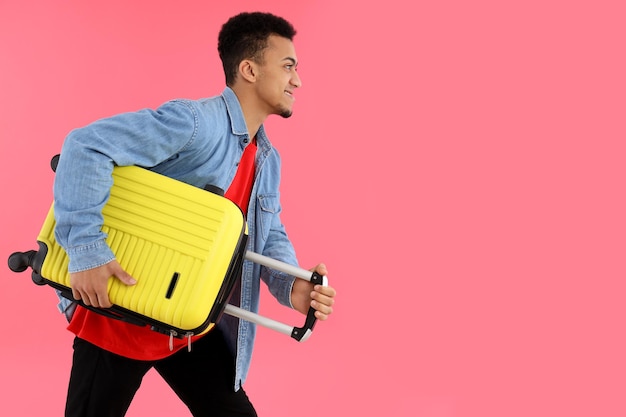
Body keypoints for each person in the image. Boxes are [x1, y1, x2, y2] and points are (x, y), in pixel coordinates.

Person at [52, 11, 336, 417]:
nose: (298, 80)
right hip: (122, 320)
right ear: (249, 69)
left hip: (188, 321)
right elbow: (85, 146)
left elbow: (268, 233)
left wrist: (293, 288)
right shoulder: (195, 123)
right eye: (288, 66)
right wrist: (88, 252)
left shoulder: (267, 159)